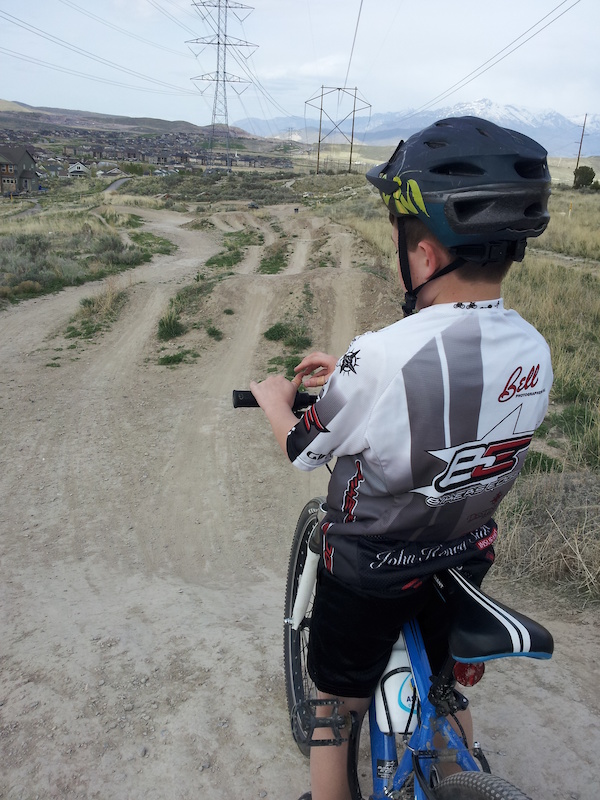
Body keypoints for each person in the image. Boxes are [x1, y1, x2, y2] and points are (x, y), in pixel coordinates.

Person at [249, 116, 553, 800]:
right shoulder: (535, 349)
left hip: (369, 572)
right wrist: (356, 377)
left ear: (419, 252)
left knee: (334, 706)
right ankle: (460, 771)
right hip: (464, 555)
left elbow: (305, 448)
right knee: (444, 684)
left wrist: (275, 396)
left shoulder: (379, 354)